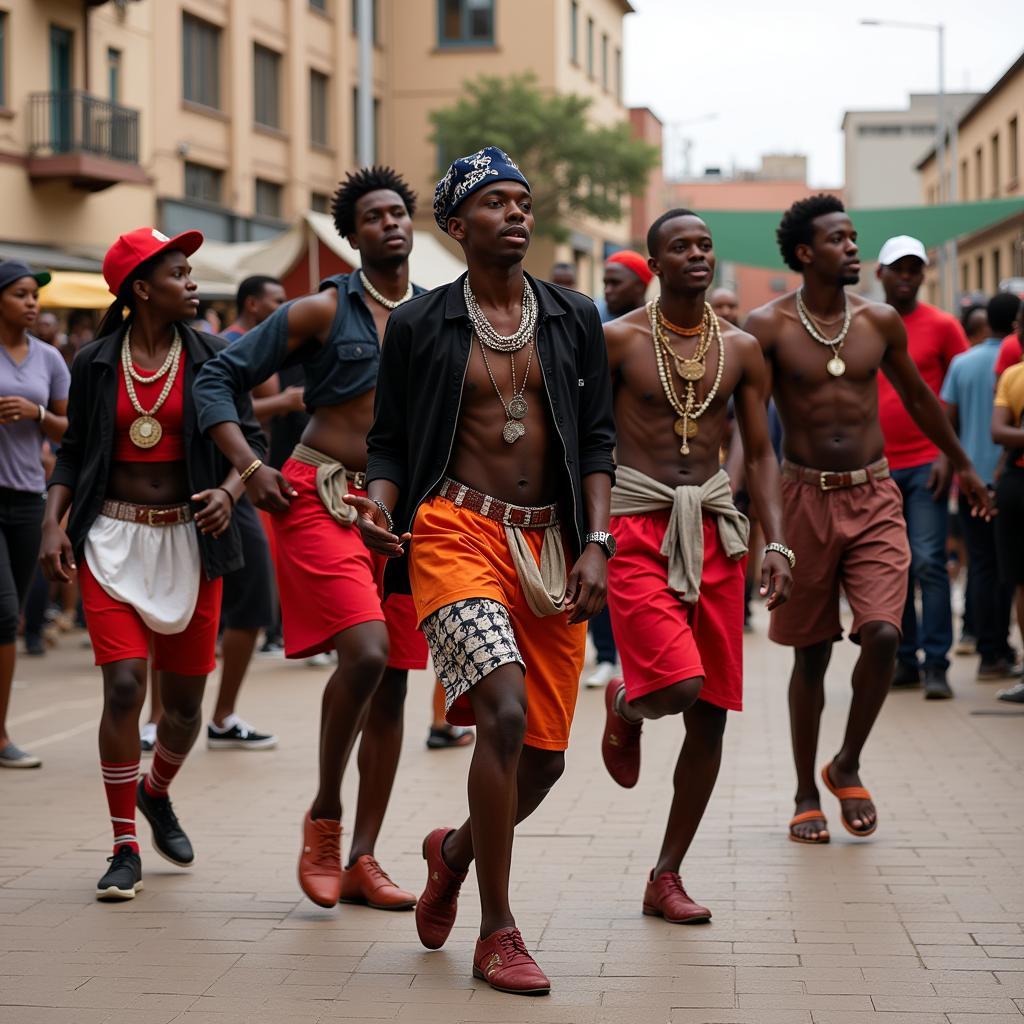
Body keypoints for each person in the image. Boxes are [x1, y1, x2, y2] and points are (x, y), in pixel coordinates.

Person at [350, 146, 614, 995]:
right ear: (457, 226)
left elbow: (599, 441)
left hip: (550, 545)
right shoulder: (423, 325)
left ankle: (453, 852)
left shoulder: (575, 317)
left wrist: (598, 541)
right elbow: (389, 443)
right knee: (499, 711)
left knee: (543, 758)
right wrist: (379, 508)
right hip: (454, 530)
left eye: (523, 202)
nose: (517, 215)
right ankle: (498, 931)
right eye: (496, 203)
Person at [195, 167, 430, 914]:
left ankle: (363, 857)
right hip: (319, 495)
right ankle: (324, 819)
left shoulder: (438, 318)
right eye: (373, 217)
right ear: (351, 234)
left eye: (398, 214)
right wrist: (248, 466)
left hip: (402, 516)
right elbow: (217, 379)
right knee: (363, 651)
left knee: (393, 680)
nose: (389, 224)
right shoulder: (319, 312)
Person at [745, 195, 990, 843]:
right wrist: (760, 522)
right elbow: (754, 437)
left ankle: (846, 761)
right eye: (839, 239)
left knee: (883, 632)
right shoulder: (765, 328)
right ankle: (804, 790)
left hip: (876, 494)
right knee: (810, 656)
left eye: (854, 238)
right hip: (801, 501)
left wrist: (962, 463)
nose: (854, 248)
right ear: (805, 253)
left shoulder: (879, 322)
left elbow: (917, 396)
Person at [39, 227, 262, 900]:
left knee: (185, 709)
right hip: (111, 538)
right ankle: (124, 845)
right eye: (179, 273)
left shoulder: (215, 356)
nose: (192, 283)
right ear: (142, 289)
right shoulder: (97, 362)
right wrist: (54, 522)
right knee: (126, 687)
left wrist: (228, 490)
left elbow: (245, 442)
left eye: (192, 271)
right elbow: (75, 451)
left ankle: (156, 791)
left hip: (192, 543)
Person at [600, 210, 792, 920]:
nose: (696, 255)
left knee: (711, 714)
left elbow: (762, 452)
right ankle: (625, 702)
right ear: (655, 264)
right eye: (680, 246)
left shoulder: (740, 348)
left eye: (705, 245)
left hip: (713, 527)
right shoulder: (617, 340)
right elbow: (585, 440)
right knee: (677, 684)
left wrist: (774, 540)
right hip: (636, 523)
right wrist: (584, 535)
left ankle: (667, 875)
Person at [875, 236, 968, 698]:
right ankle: (903, 659)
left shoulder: (945, 326)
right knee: (895, 568)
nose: (907, 277)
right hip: (876, 470)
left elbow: (962, 399)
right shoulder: (866, 324)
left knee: (929, 562)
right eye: (899, 269)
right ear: (881, 274)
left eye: (915, 269)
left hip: (927, 465)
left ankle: (936, 665)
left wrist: (950, 458)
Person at [206, 275, 290, 750]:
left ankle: (221, 717)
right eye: (276, 301)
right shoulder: (228, 347)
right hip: (223, 483)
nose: (285, 308)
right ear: (254, 303)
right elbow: (234, 413)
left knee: (253, 596)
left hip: (247, 481)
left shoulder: (271, 343)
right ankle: (163, 718)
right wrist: (284, 402)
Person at [0, 261, 70, 768]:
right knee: (4, 614)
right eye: (21, 294)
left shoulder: (50, 359)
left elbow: (73, 432)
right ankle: (1, 737)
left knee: (12, 615)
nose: (32, 303)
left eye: (35, 295)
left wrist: (40, 415)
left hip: (28, 498)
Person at [583, 249, 653, 691]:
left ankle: (635, 656)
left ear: (643, 284)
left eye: (617, 282)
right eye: (605, 282)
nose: (608, 290)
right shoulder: (594, 326)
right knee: (597, 555)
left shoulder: (656, 331)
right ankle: (606, 655)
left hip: (643, 477)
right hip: (600, 466)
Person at [941, 293, 1020, 682]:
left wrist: (956, 466)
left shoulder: (961, 363)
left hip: (970, 480)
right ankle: (1001, 647)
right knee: (1010, 569)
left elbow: (947, 421)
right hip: (1009, 478)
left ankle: (985, 647)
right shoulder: (1016, 366)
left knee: (982, 565)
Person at [992, 332, 1024, 703]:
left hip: (1016, 482)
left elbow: (999, 430)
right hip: (1015, 486)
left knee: (1021, 583)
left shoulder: (1013, 376)